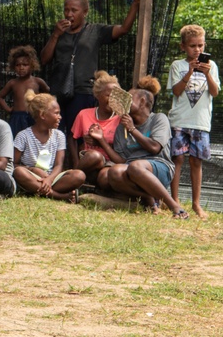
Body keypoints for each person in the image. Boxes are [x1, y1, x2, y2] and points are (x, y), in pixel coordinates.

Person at [40, 0, 140, 134]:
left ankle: (80, 158)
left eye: (74, 10)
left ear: (85, 12)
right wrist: (55, 35)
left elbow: (124, 29)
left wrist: (135, 4)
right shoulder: (59, 32)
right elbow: (44, 59)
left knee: (79, 134)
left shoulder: (95, 30)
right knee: (56, 133)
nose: (69, 14)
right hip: (59, 91)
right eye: (66, 10)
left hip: (83, 92)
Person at [92, 77, 188, 218]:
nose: (124, 100)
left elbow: (155, 148)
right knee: (113, 172)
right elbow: (121, 160)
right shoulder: (121, 128)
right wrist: (102, 141)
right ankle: (147, 198)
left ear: (142, 102)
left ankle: (174, 206)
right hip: (132, 169)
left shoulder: (158, 119)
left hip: (159, 166)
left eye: (129, 98)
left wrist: (132, 129)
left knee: (135, 167)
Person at [168, 24, 218, 218]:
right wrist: (189, 72)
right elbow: (176, 91)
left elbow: (214, 92)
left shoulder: (211, 66)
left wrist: (206, 74)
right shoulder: (177, 65)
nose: (197, 50)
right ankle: (175, 201)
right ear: (183, 47)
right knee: (177, 159)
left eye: (200, 45)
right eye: (192, 46)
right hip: (180, 120)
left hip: (200, 122)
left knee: (196, 161)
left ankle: (197, 204)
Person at [12, 91, 86, 202]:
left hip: (53, 177)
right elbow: (14, 164)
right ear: (42, 115)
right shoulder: (23, 136)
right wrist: (32, 169)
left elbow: (59, 165)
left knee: (79, 175)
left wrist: (49, 179)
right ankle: (58, 196)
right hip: (33, 177)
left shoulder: (59, 135)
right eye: (56, 113)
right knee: (18, 172)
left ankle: (37, 190)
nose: (60, 117)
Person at [70, 71, 122, 182]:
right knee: (94, 156)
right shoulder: (84, 114)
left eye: (115, 95)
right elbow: (72, 138)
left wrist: (100, 142)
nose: (112, 99)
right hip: (88, 161)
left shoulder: (122, 119)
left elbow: (124, 151)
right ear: (97, 95)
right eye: (108, 95)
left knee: (105, 178)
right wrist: (76, 162)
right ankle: (73, 177)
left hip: (110, 164)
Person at [0, 46, 49, 137]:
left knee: (35, 139)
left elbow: (47, 95)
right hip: (17, 117)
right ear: (13, 66)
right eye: (18, 65)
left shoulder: (38, 81)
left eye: (25, 65)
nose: (21, 68)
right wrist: (8, 109)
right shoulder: (12, 83)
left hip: (34, 116)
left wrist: (42, 108)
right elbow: (0, 97)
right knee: (17, 139)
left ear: (32, 65)